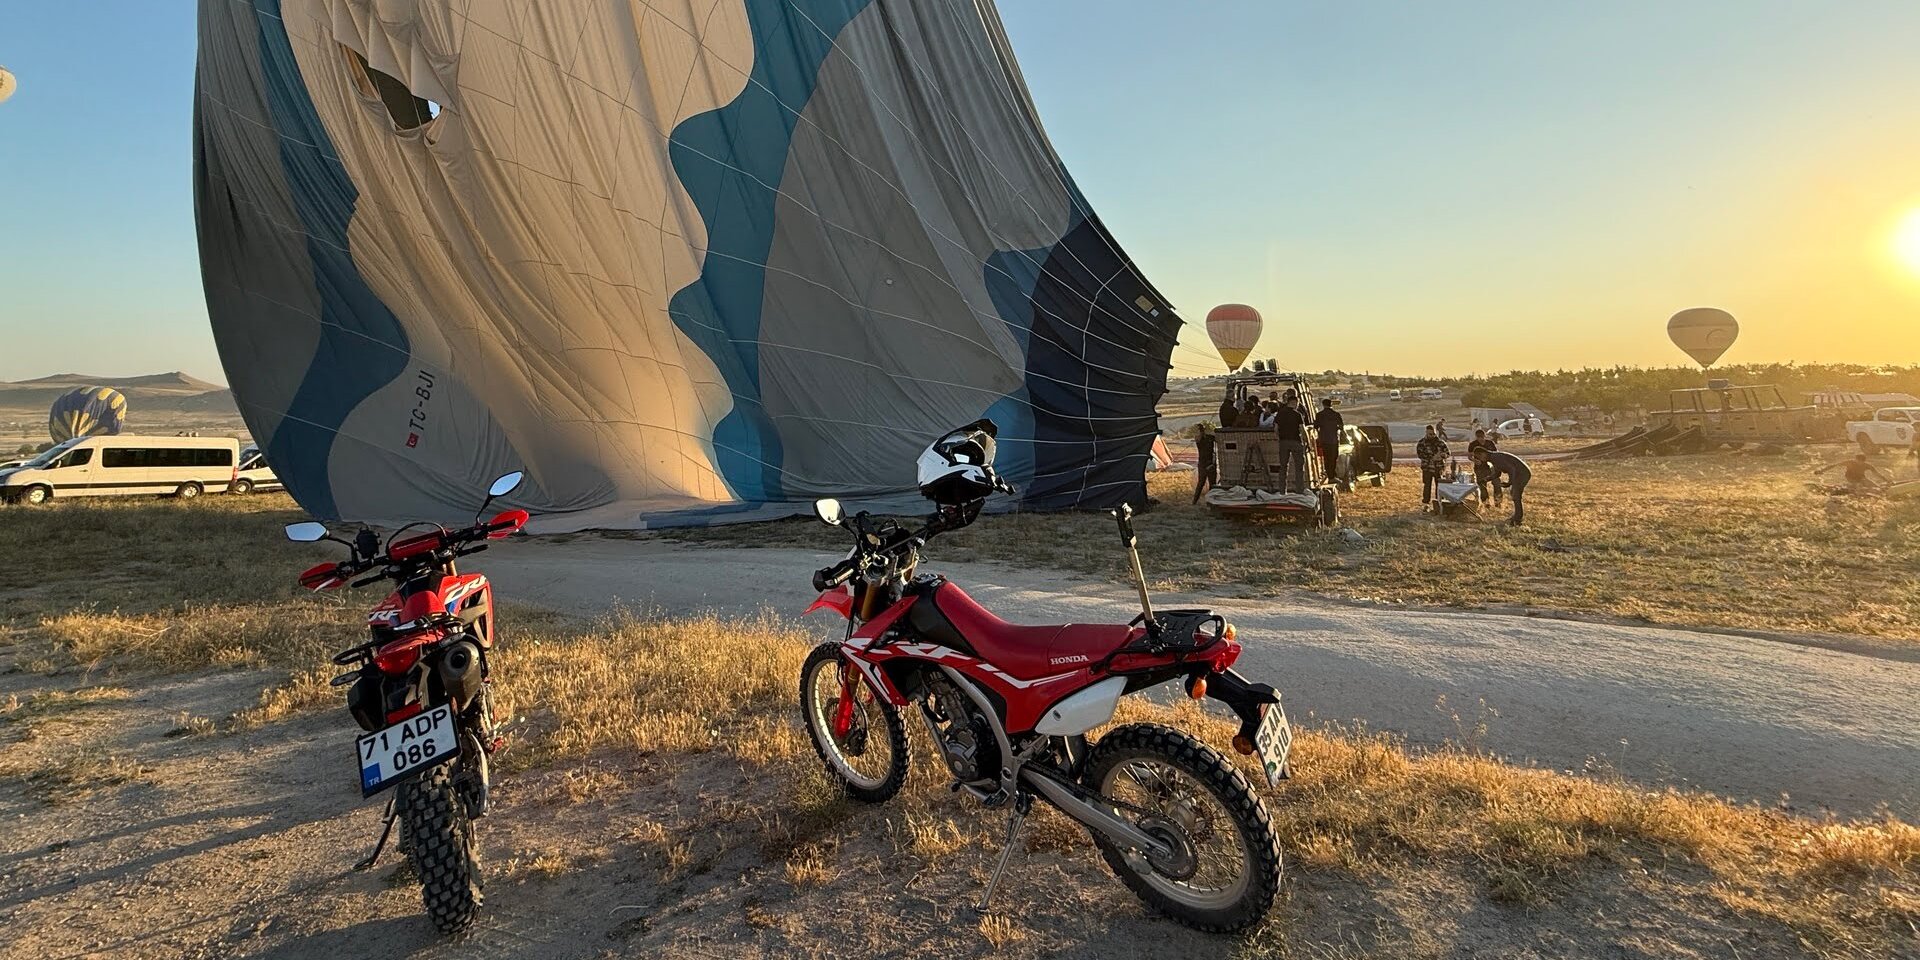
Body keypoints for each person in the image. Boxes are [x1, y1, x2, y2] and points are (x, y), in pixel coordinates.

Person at [1474, 447, 1532, 525]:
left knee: (1516, 495)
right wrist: (1485, 480)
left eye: (1479, 456)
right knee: (1514, 494)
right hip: (1518, 473)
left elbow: (1512, 469)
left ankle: (1517, 519)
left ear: (1483, 453)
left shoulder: (1496, 457)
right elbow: (1497, 473)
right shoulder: (1493, 459)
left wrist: (1510, 482)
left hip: (1522, 473)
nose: (1480, 459)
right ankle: (1517, 516)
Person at [1272, 390, 1310, 493]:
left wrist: (1279, 438)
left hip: (1283, 442)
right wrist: (1307, 442)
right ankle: (1299, 490)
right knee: (1299, 467)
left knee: (1283, 467)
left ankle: (1282, 491)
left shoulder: (1279, 414)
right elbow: (1302, 429)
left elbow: (1275, 428)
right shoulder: (1298, 415)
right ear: (1294, 403)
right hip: (1296, 441)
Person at [1815, 453, 1891, 494]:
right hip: (1850, 478)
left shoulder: (1867, 465)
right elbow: (1834, 465)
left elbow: (1876, 474)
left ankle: (1882, 492)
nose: (1859, 463)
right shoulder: (1850, 462)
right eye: (1858, 461)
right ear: (1855, 459)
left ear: (1864, 461)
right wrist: (1822, 470)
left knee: (1875, 486)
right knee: (1858, 486)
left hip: (1861, 478)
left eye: (1861, 462)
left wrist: (1886, 480)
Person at [1416, 424, 1449, 507]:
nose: (1432, 436)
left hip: (1438, 467)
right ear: (1426, 433)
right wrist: (1432, 458)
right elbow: (1420, 455)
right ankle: (1426, 503)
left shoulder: (1440, 443)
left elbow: (1447, 453)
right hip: (1427, 468)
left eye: (1433, 434)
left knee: (1439, 486)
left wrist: (1441, 456)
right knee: (1427, 485)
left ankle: (1439, 502)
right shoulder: (1422, 443)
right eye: (1430, 434)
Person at [1313, 398, 1344, 480]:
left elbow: (1315, 426)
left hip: (1324, 439)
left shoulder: (1319, 415)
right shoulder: (1336, 414)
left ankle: (1329, 474)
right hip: (1334, 439)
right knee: (1334, 457)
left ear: (1323, 405)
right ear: (1331, 405)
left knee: (1326, 457)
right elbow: (1341, 427)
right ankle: (1332, 474)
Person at [1468, 428, 1500, 505]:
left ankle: (1498, 501)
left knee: (1496, 483)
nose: (1481, 439)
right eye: (1479, 437)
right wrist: (1475, 460)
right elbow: (1469, 456)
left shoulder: (1490, 443)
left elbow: (1496, 453)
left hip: (1491, 467)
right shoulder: (1473, 445)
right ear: (1476, 437)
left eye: (1482, 437)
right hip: (1480, 467)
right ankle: (1486, 503)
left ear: (1484, 436)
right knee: (1482, 485)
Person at [1193, 423, 1218, 504]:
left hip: (1210, 462)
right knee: (1201, 483)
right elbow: (1198, 439)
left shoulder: (1210, 437)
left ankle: (1211, 501)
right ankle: (1195, 501)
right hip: (1203, 463)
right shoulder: (1199, 439)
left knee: (1212, 484)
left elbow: (1217, 439)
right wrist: (1202, 432)